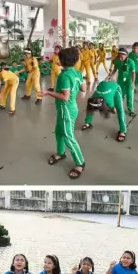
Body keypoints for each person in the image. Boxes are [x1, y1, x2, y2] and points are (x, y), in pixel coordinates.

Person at [41, 47, 86, 180]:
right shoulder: (77, 72)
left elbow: (65, 97)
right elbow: (83, 88)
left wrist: (48, 92)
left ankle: (80, 163)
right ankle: (60, 153)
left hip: (66, 109)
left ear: (63, 61)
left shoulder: (64, 76)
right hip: (69, 108)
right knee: (59, 132)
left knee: (67, 136)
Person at [109, 47, 136, 115]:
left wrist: (133, 82)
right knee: (120, 94)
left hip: (129, 80)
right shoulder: (117, 60)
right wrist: (111, 75)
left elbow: (133, 73)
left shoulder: (131, 62)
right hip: (120, 79)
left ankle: (131, 110)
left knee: (129, 94)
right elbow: (115, 69)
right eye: (119, 56)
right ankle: (118, 107)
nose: (120, 58)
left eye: (122, 56)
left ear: (126, 55)